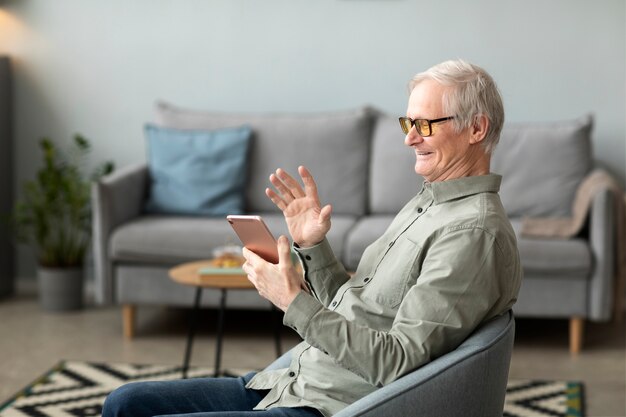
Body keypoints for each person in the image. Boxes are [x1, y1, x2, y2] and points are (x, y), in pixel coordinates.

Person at [102, 59, 522, 417]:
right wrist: (313, 247)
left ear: (476, 129)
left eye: (425, 124)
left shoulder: (471, 233)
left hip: (325, 407)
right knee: (126, 401)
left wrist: (292, 302)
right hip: (289, 381)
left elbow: (397, 363)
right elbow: (360, 308)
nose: (410, 137)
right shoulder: (429, 203)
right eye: (409, 122)